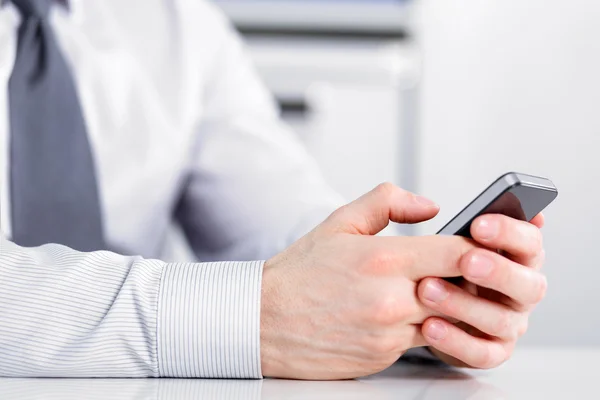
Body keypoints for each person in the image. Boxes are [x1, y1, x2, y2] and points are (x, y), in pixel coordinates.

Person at [0, 0, 547, 380]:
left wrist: (403, 300)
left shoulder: (178, 25)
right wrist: (251, 317)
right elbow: (271, 306)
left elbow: (283, 220)